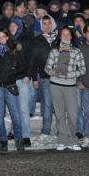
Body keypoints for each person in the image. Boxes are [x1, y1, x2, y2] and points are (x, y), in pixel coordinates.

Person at [44, 26, 86, 152]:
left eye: (68, 34)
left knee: (73, 114)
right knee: (60, 114)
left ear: (72, 36)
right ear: (60, 36)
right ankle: (62, 140)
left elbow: (83, 69)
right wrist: (53, 72)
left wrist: (70, 75)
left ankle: (72, 140)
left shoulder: (76, 51)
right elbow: (47, 68)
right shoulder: (54, 51)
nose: (66, 37)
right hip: (55, 86)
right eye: (63, 34)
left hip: (70, 87)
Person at [0, 28, 25, 152]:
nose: (1, 39)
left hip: (10, 86)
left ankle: (19, 139)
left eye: (3, 36)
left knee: (15, 114)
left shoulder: (13, 50)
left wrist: (13, 71)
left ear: (7, 37)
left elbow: (21, 66)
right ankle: (3, 140)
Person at [29, 14, 56, 143]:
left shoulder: (59, 39)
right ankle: (46, 131)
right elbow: (32, 60)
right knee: (47, 105)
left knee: (61, 105)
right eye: (44, 24)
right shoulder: (37, 40)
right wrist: (34, 78)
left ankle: (63, 131)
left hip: (61, 78)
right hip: (45, 78)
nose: (47, 26)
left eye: (49, 23)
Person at [9, 18, 33, 147]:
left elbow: (31, 58)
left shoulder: (26, 40)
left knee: (23, 108)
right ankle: (15, 131)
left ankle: (26, 135)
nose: (13, 28)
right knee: (14, 108)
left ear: (20, 27)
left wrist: (28, 75)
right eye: (11, 26)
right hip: (11, 79)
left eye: (15, 26)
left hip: (22, 78)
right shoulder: (7, 40)